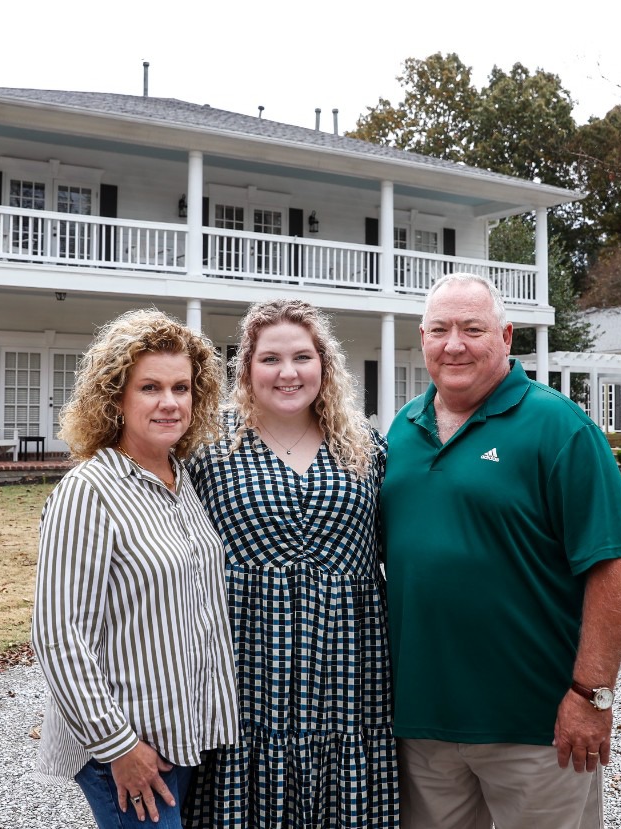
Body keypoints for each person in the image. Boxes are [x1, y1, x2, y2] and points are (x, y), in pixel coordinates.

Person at [381, 273, 621, 829]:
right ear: (421, 337)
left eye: (472, 329)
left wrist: (590, 695)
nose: (454, 344)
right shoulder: (400, 435)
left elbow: (616, 561)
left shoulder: (559, 428)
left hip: (538, 725)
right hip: (423, 726)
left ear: (505, 336)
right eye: (440, 329)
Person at [185, 298, 399, 828]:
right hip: (245, 666)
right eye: (270, 359)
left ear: (324, 365)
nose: (288, 373)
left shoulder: (366, 447)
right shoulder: (209, 448)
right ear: (247, 368)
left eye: (302, 357)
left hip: (350, 667)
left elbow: (402, 547)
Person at [32, 309, 238, 829]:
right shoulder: (89, 491)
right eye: (150, 387)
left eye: (181, 388)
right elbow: (57, 633)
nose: (170, 402)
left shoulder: (182, 481)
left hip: (178, 740)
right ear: (116, 398)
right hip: (126, 749)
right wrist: (119, 746)